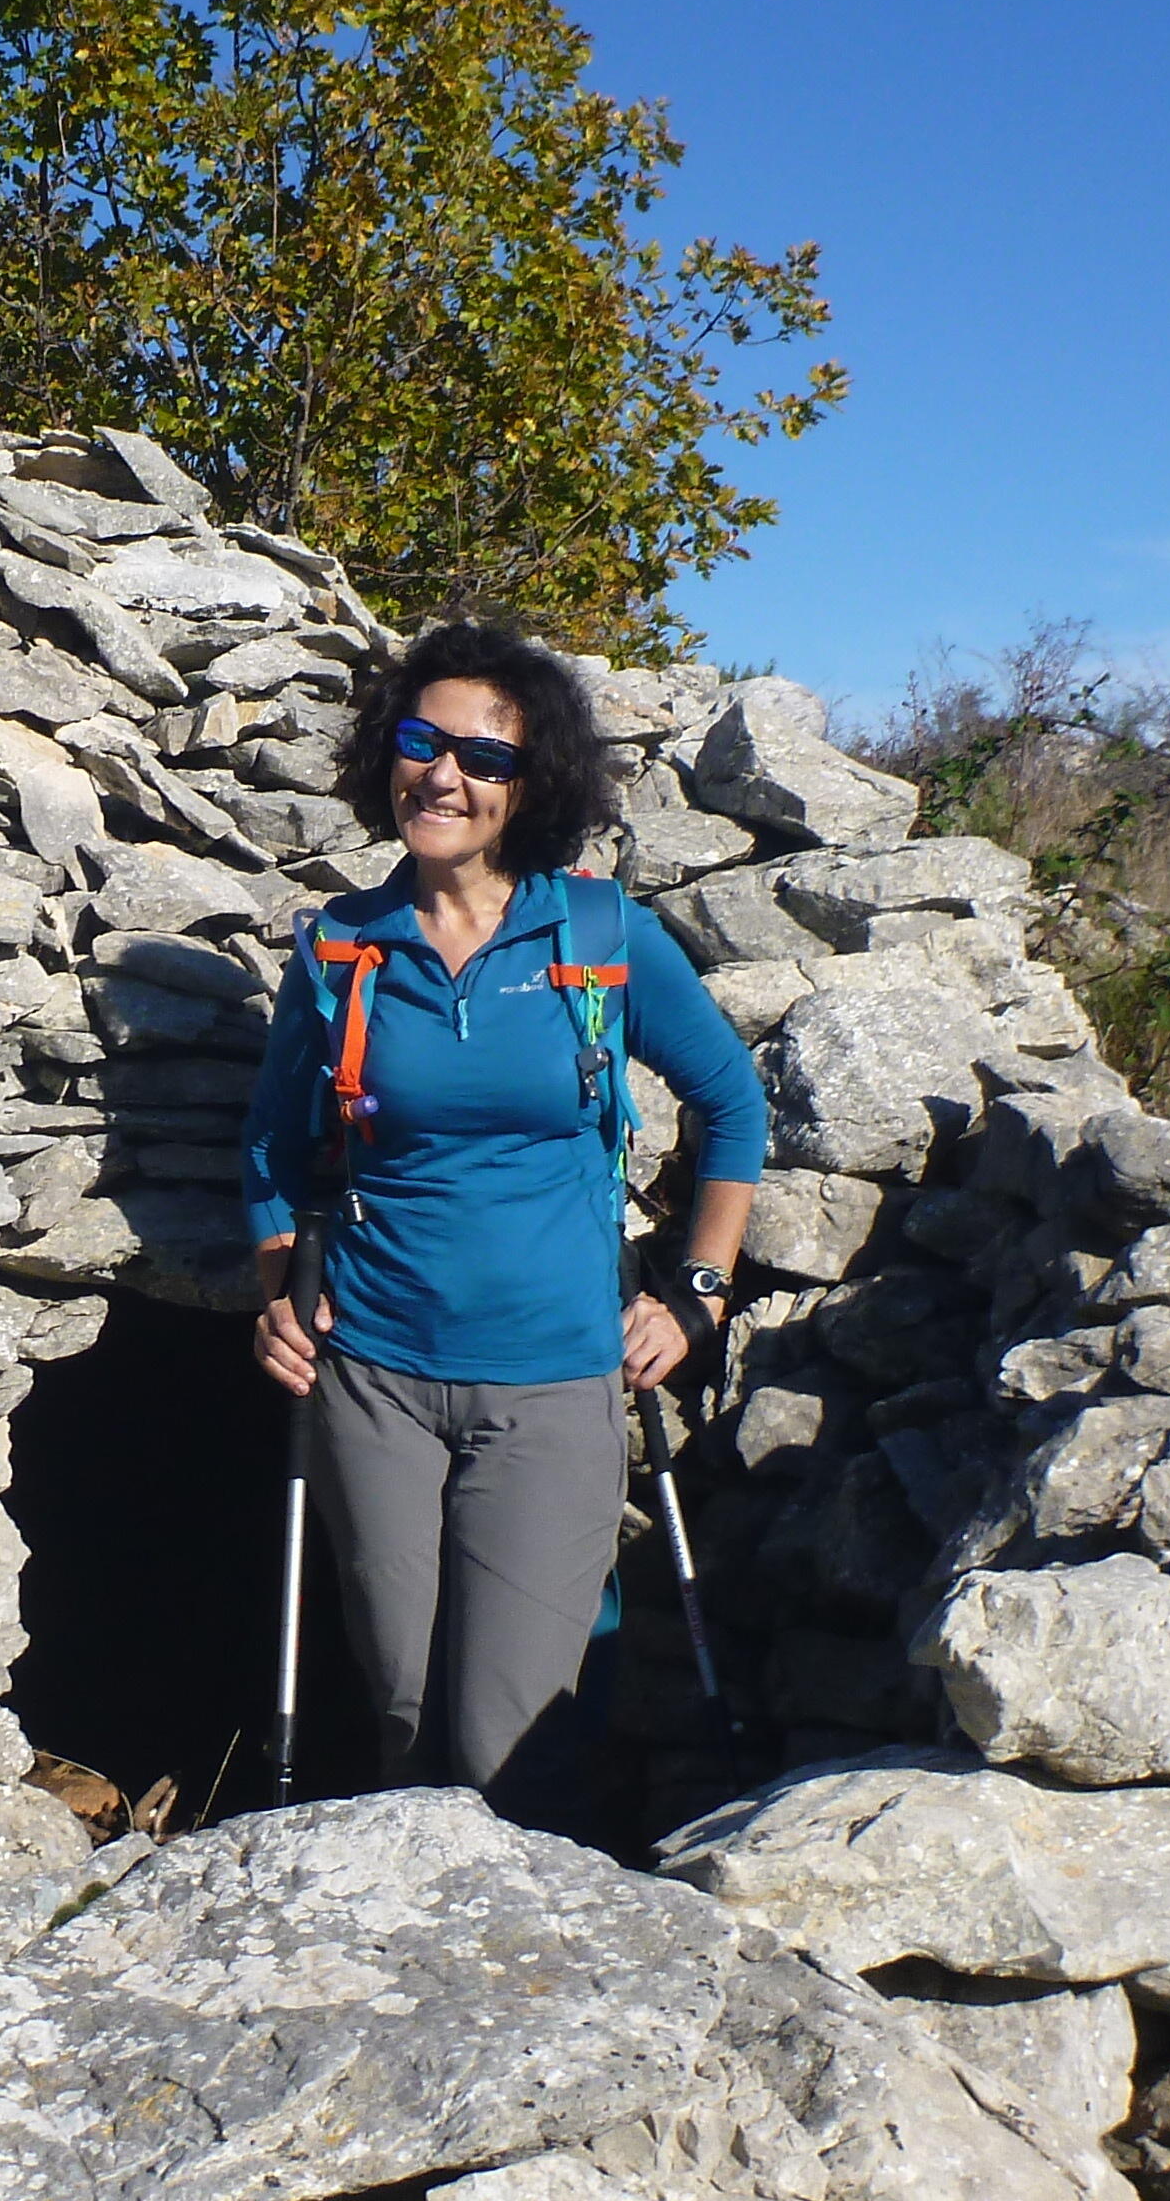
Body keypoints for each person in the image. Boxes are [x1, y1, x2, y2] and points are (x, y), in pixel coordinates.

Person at [237, 621, 768, 1830]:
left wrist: (697, 1288)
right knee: (401, 1716)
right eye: (419, 742)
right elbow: (273, 1146)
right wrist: (277, 1292)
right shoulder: (341, 948)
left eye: (484, 756)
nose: (444, 776)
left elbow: (733, 1103)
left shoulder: (598, 936)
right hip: (372, 1380)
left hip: (552, 1383)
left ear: (531, 785)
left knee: (504, 1743)